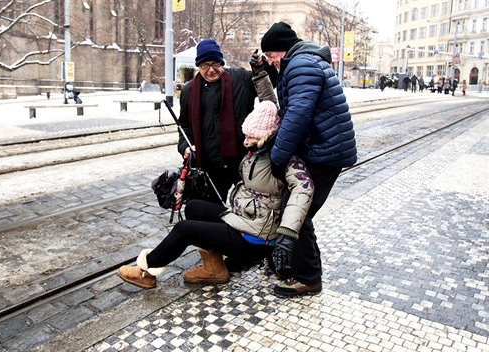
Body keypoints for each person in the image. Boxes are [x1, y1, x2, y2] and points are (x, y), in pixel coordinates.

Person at [118, 101, 314, 289]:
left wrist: (287, 235)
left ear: (267, 136)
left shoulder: (283, 161)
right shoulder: (256, 153)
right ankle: (214, 270)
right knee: (194, 206)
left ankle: (147, 271)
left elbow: (303, 189)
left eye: (251, 137)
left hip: (255, 237)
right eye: (245, 135)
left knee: (184, 229)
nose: (246, 141)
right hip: (242, 220)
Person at [259, 22, 357, 297]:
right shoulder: (302, 63)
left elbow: (297, 115)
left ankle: (308, 277)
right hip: (324, 147)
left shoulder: (301, 66)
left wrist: (278, 156)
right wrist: (268, 71)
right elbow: (292, 100)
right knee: (298, 209)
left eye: (270, 57)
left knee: (298, 211)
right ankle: (294, 265)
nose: (270, 62)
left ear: (282, 50)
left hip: (325, 151)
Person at [176, 39, 276, 204]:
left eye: (215, 64)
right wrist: (184, 146)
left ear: (221, 62)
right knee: (211, 212)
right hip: (210, 166)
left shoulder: (240, 78)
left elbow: (268, 83)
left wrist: (264, 67)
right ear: (198, 66)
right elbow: (184, 125)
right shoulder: (189, 90)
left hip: (243, 162)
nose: (211, 70)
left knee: (249, 209)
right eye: (205, 65)